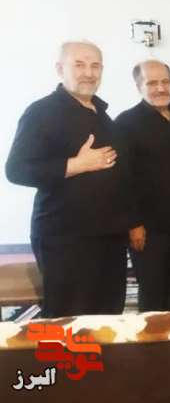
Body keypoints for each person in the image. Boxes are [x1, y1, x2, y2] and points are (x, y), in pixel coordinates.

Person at [6, 41, 130, 317]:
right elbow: (16, 169)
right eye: (79, 65)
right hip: (66, 238)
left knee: (108, 316)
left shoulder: (102, 114)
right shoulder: (41, 112)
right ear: (60, 69)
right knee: (69, 321)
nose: (89, 73)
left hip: (109, 236)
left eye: (95, 66)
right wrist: (75, 165)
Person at [115, 60, 170, 311]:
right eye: (152, 83)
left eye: (165, 81)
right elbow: (122, 179)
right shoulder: (125, 123)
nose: (161, 88)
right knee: (153, 292)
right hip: (148, 229)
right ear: (139, 86)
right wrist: (133, 224)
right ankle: (152, 337)